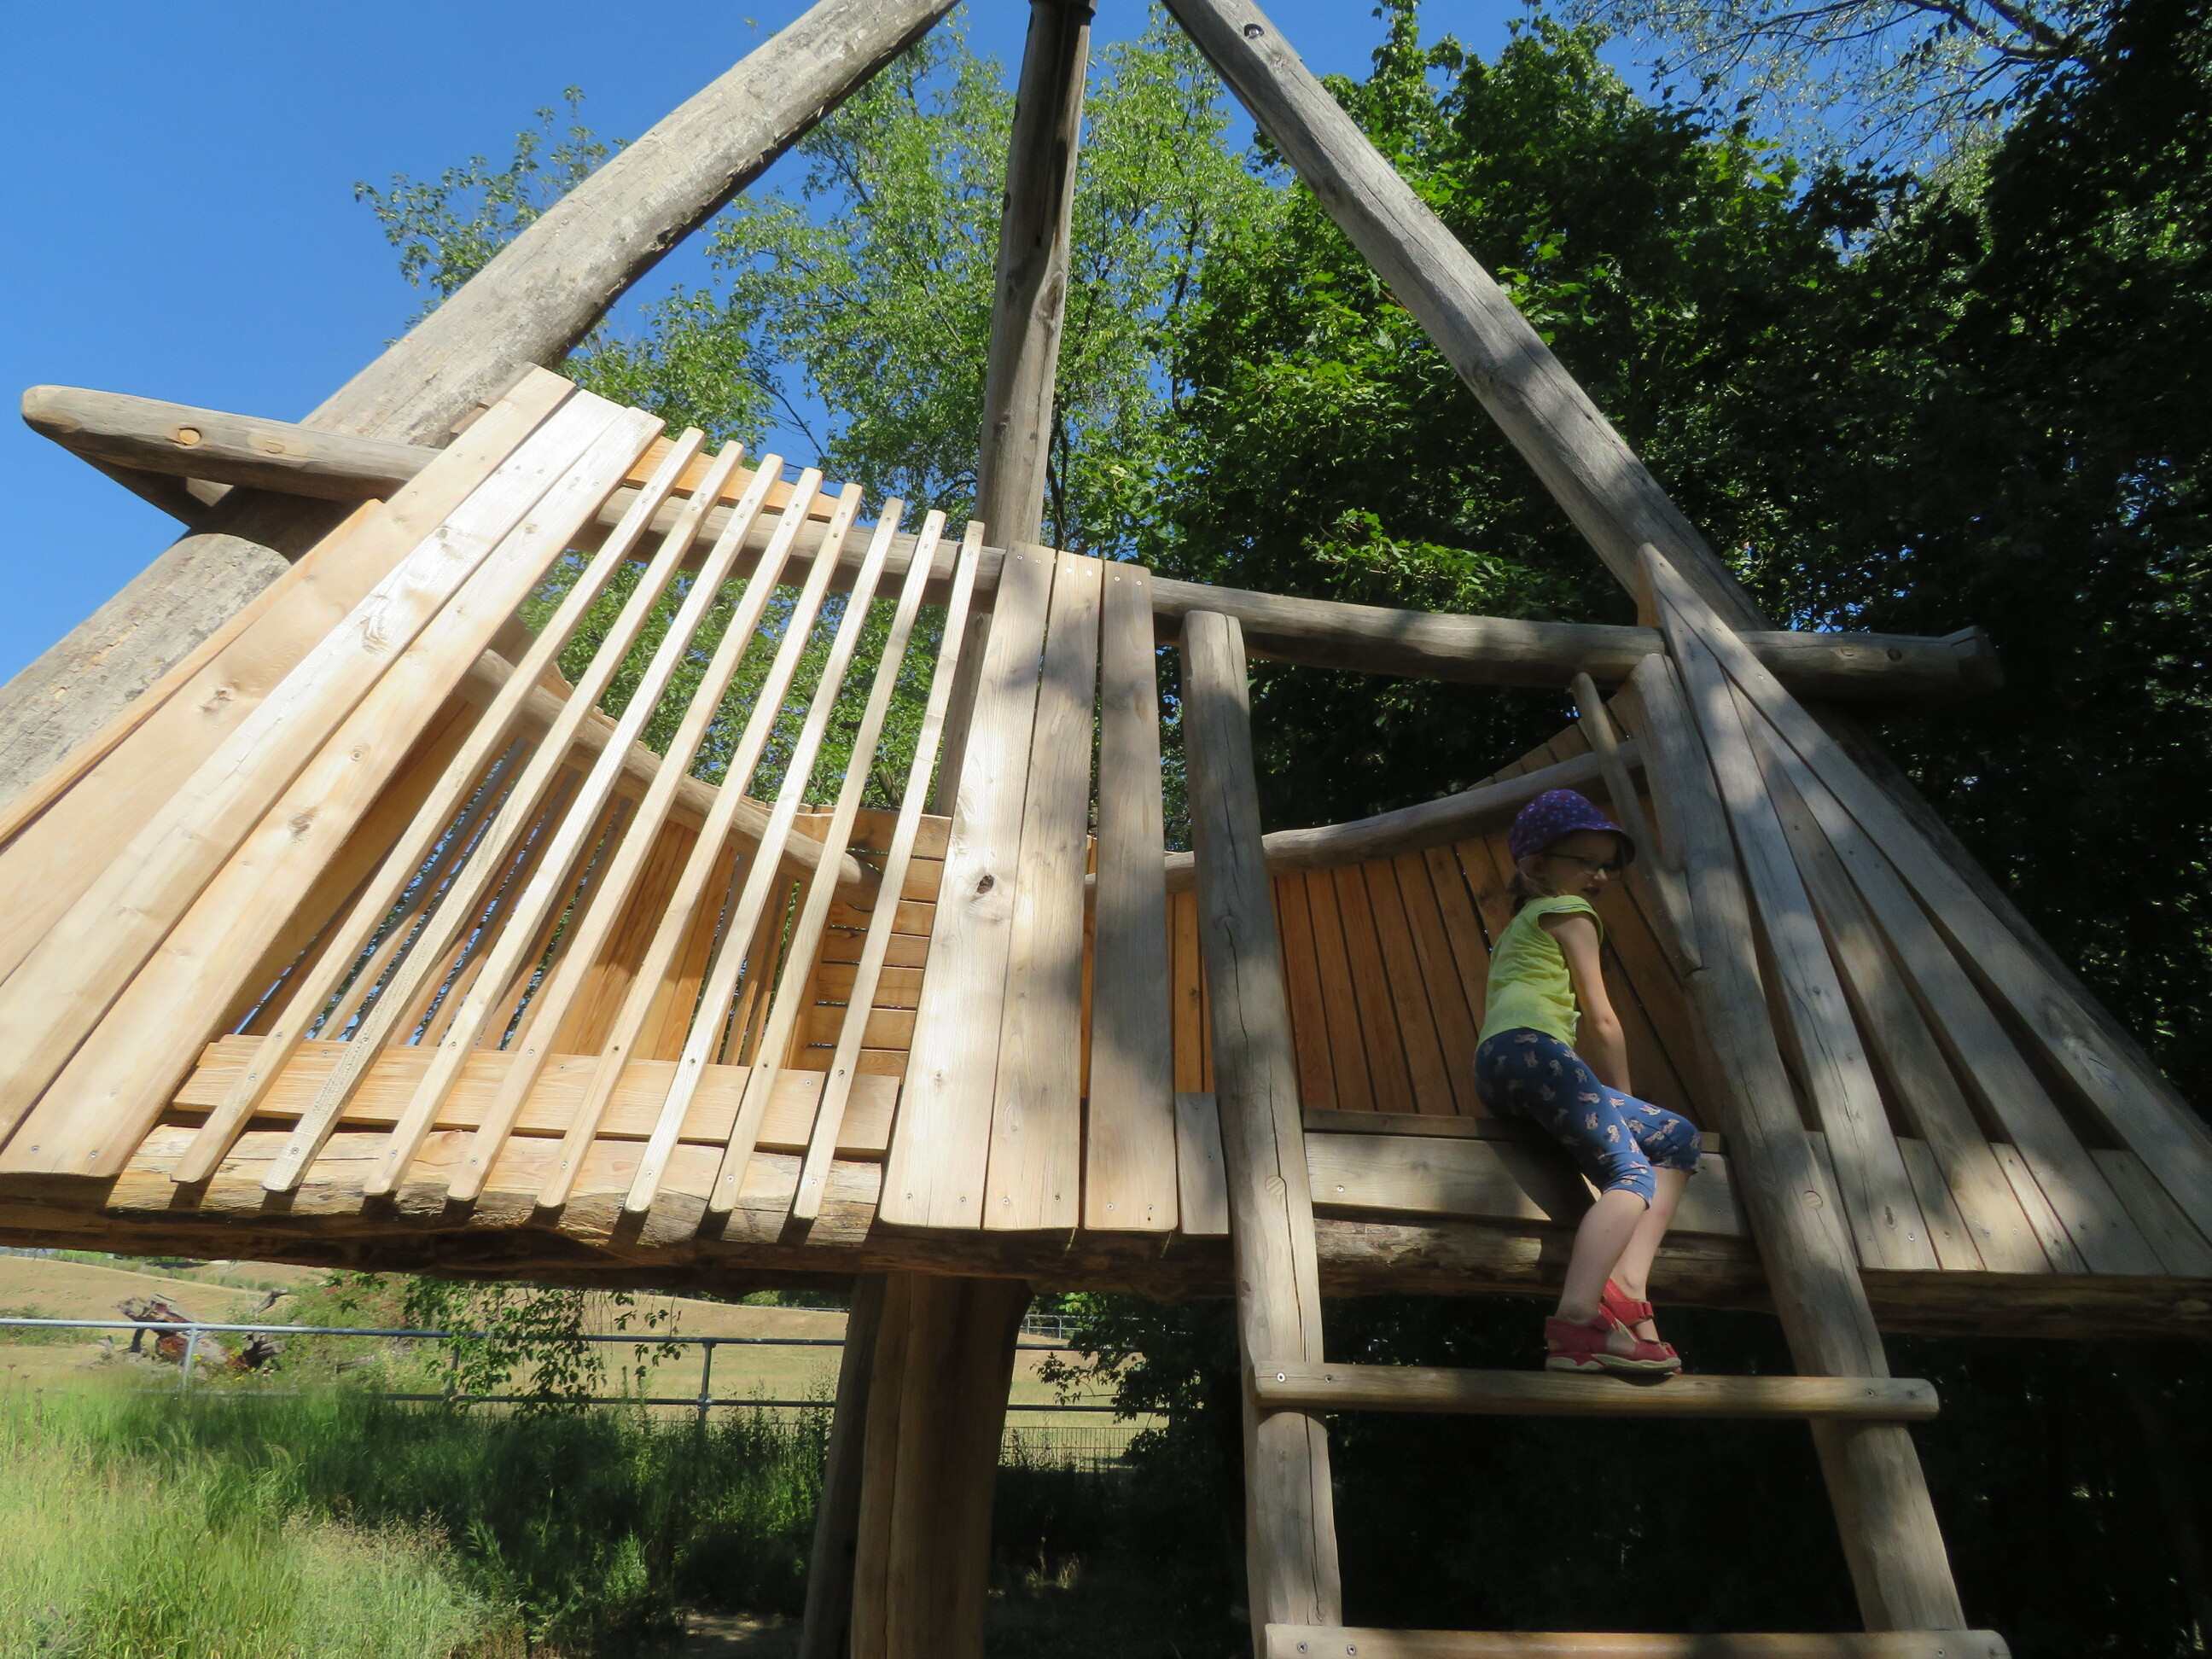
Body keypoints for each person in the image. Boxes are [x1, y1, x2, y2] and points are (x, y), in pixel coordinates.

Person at [1474, 789, 1702, 1376]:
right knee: (1633, 1172)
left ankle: (1626, 1285)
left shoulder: (1520, 926)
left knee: (1677, 1136)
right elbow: (1601, 1019)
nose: (1600, 876)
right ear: (1536, 863)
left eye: (1609, 865)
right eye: (1585, 861)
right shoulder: (1571, 912)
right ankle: (1578, 1320)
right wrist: (1621, 1095)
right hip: (1536, 1050)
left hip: (1501, 1065)